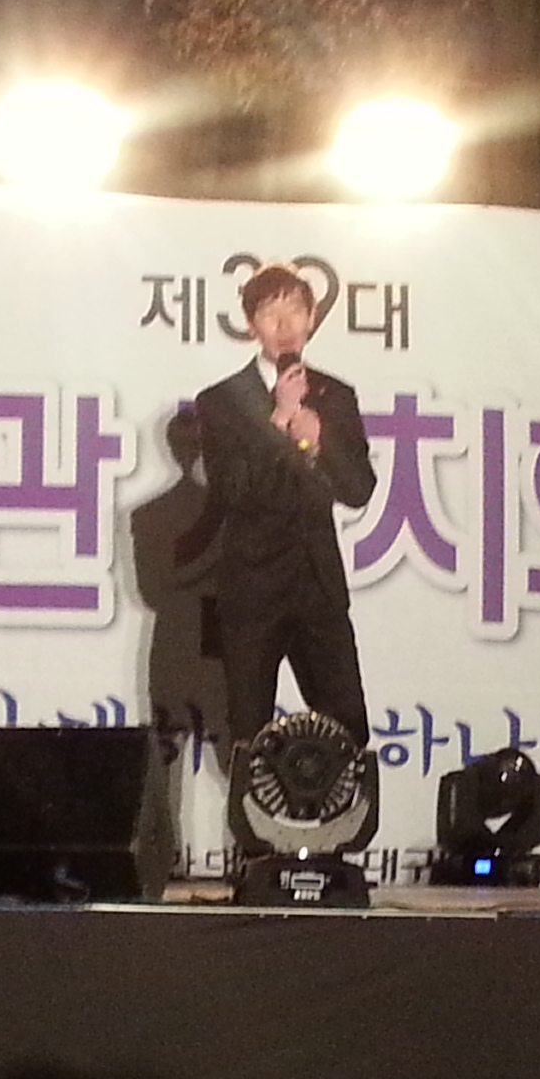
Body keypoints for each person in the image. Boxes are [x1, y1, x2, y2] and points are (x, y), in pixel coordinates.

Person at [193, 262, 376, 747]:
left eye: (295, 309)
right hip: (252, 590)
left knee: (347, 733)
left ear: (312, 318)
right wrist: (277, 420)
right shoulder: (221, 401)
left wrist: (317, 443)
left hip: (318, 585)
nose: (284, 324)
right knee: (249, 737)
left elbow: (359, 489)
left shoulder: (335, 395)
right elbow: (231, 491)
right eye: (270, 312)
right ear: (251, 324)